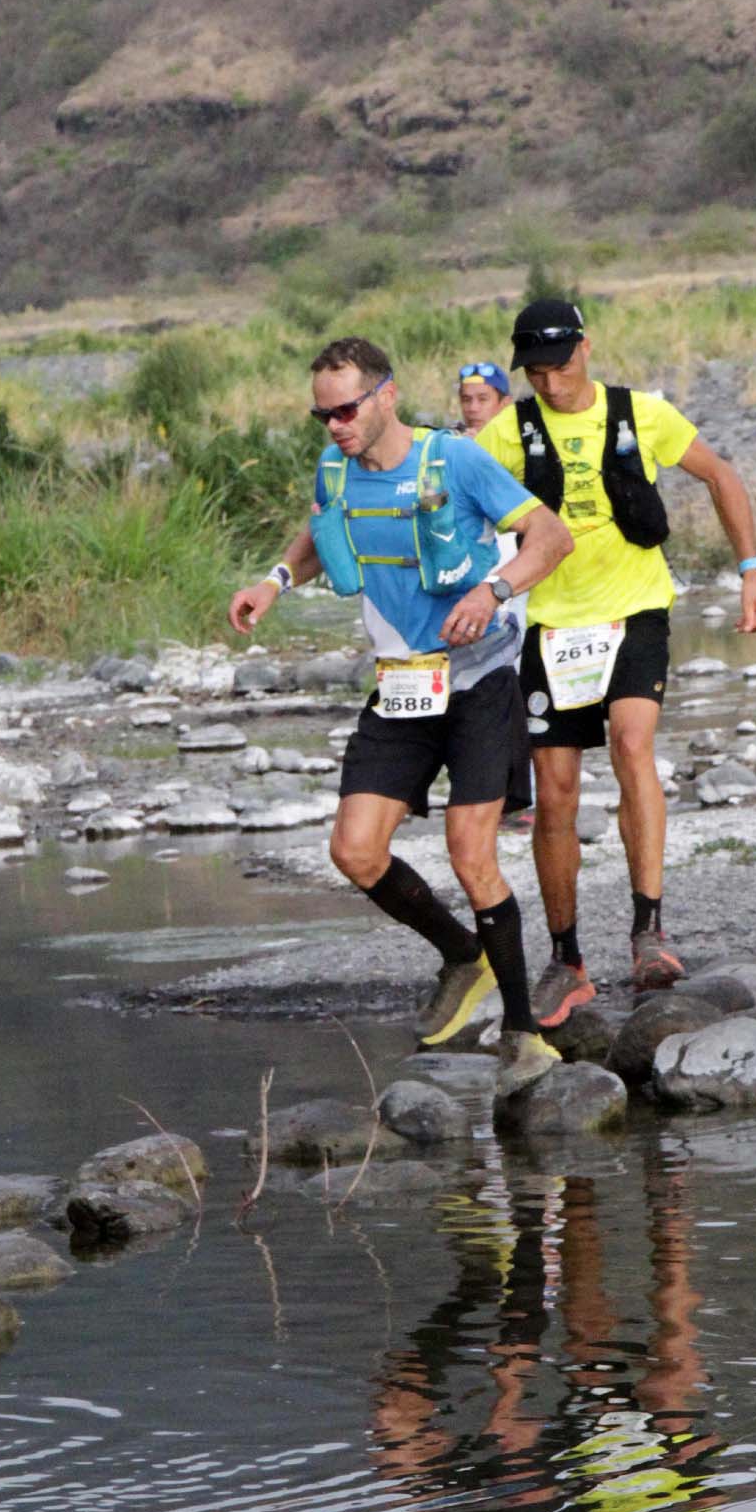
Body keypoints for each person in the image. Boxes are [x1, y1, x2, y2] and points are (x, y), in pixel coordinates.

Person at [227, 335, 574, 1098]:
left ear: (386, 394)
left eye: (346, 409)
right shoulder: (335, 471)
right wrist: (274, 579)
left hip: (481, 682)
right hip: (402, 687)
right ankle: (462, 955)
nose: (334, 425)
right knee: (354, 850)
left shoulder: (456, 461)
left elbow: (551, 536)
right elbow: (322, 535)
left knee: (469, 851)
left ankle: (525, 1031)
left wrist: (495, 591)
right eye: (322, 414)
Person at [477, 297, 756, 1025]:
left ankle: (649, 931)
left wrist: (752, 569)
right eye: (536, 371)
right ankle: (566, 958)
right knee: (556, 790)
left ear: (586, 347)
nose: (550, 383)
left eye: (560, 364)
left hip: (635, 609)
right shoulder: (506, 431)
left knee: (633, 745)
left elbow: (722, 476)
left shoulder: (642, 413)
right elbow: (448, 495)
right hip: (548, 625)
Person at [456, 360, 511, 436]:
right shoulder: (450, 441)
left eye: (482, 399)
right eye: (466, 400)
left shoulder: (522, 441)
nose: (473, 408)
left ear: (504, 404)